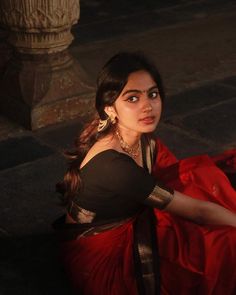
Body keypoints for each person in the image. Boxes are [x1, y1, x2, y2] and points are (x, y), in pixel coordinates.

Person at [54, 52, 236, 295]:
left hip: (128, 217)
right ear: (110, 108)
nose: (147, 106)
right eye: (132, 98)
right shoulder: (114, 165)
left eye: (152, 94)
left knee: (201, 178)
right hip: (106, 262)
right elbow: (199, 212)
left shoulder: (131, 134)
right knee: (221, 245)